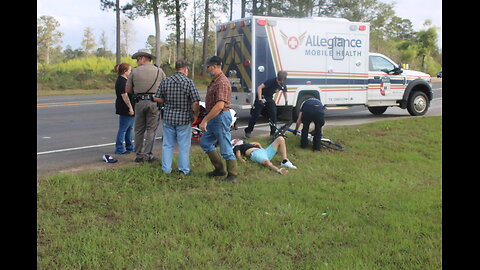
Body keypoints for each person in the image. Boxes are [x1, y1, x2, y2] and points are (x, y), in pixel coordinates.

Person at [153, 59, 201, 175]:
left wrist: (166, 101)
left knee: (167, 145)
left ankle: (166, 169)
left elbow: (158, 98)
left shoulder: (165, 81)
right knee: (183, 146)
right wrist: (195, 115)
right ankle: (184, 170)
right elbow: (195, 102)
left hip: (169, 118)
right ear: (185, 69)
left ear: (176, 69)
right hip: (184, 118)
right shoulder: (189, 82)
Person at [199, 56, 238, 182]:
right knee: (205, 142)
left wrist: (205, 120)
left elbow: (220, 105)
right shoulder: (216, 80)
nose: (207, 69)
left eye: (208, 67)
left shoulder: (222, 82)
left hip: (220, 117)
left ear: (214, 66)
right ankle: (219, 169)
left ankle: (232, 175)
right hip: (214, 117)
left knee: (225, 146)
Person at [126, 49, 166, 163]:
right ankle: (148, 155)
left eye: (138, 59)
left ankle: (139, 155)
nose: (137, 62)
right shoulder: (159, 71)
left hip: (139, 103)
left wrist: (138, 91)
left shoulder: (134, 71)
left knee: (139, 129)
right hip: (154, 102)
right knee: (151, 130)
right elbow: (165, 87)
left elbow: (127, 89)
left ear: (143, 58)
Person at [244, 71, 288, 138]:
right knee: (256, 115)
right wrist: (260, 99)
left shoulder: (282, 84)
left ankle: (273, 133)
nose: (281, 82)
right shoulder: (271, 81)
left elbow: (284, 91)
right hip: (262, 97)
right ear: (278, 78)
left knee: (273, 114)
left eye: (282, 81)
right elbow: (259, 88)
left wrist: (286, 100)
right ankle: (248, 131)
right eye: (279, 81)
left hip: (269, 98)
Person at [231, 136, 297, 175]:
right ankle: (279, 170)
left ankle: (285, 161)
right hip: (255, 153)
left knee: (280, 139)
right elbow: (238, 153)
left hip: (264, 151)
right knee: (267, 162)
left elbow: (259, 145)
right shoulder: (238, 146)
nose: (238, 139)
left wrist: (258, 144)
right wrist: (240, 159)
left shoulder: (249, 144)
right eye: (235, 140)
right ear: (234, 143)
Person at [114, 63, 135, 154]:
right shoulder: (121, 81)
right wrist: (130, 108)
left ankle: (129, 146)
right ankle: (119, 148)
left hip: (129, 108)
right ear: (125, 71)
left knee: (129, 128)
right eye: (129, 70)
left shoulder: (125, 80)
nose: (130, 72)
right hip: (124, 108)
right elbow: (124, 96)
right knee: (123, 129)